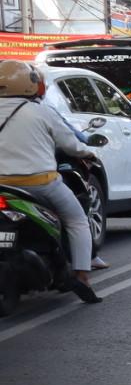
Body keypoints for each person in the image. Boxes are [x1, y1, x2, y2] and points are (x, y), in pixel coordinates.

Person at [0, 61, 102, 302]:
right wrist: (88, 152)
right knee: (77, 221)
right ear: (30, 84)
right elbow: (70, 145)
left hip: (2, 186)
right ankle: (82, 275)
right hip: (40, 184)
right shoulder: (40, 111)